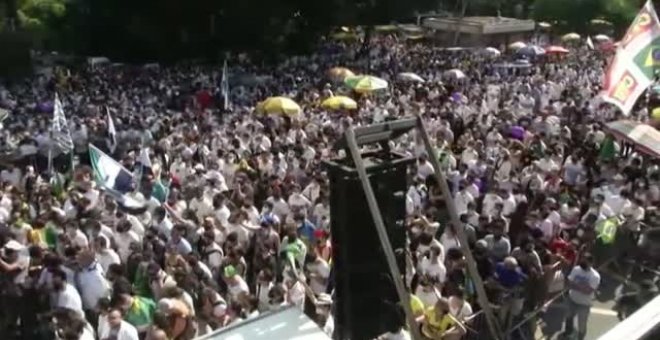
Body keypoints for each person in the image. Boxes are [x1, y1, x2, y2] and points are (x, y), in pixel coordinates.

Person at [564, 253, 601, 340]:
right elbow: (569, 283)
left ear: (591, 263)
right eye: (582, 260)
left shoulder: (595, 276)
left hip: (584, 304)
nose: (582, 262)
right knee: (568, 317)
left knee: (582, 324)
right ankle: (568, 332)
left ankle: (580, 338)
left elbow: (588, 291)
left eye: (585, 261)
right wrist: (582, 287)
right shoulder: (576, 269)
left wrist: (575, 285)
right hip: (572, 299)